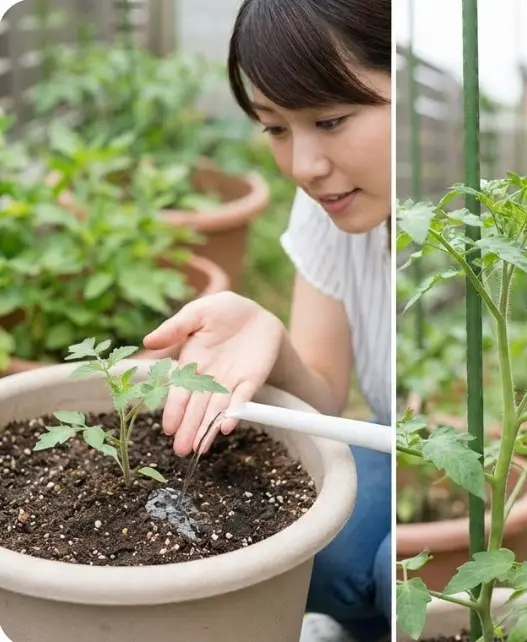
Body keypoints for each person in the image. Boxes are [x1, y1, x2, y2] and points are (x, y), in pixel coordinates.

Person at [141, 1, 392, 640]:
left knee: (407, 568)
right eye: (276, 128)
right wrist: (271, 339)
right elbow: (325, 400)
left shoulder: (477, 232)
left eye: (330, 120)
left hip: (483, 456)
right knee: (311, 542)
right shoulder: (331, 210)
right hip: (400, 440)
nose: (303, 167)